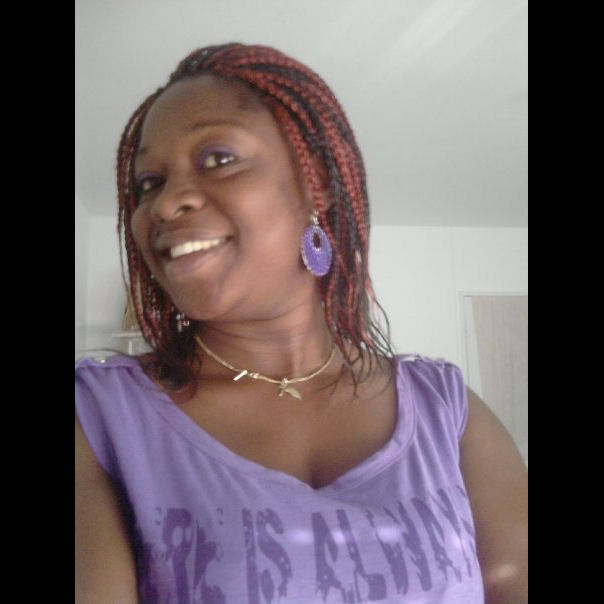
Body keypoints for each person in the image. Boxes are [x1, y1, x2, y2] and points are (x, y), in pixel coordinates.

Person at [75, 43, 527, 603]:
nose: (166, 204)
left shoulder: (446, 410)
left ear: (316, 185)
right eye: (148, 183)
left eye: (217, 159)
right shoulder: (97, 416)